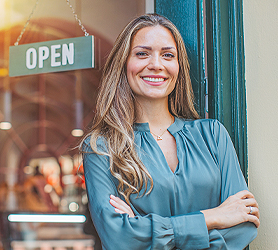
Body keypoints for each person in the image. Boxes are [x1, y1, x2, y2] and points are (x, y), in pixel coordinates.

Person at [80, 14, 259, 249]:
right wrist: (213, 217)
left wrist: (143, 228)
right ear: (124, 64)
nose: (156, 64)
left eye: (167, 55)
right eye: (142, 53)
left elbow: (243, 225)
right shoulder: (101, 147)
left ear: (178, 67)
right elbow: (120, 239)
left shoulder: (212, 135)